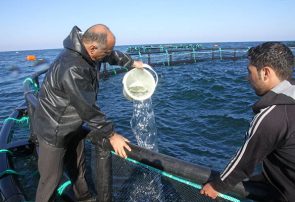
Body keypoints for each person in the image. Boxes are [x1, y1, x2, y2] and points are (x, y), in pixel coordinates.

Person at [32, 24, 143, 202]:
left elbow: (110, 54)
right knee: (50, 180)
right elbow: (87, 109)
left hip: (72, 125)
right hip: (54, 130)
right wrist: (111, 134)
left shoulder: (87, 50)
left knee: (77, 167)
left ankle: (84, 198)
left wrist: (130, 63)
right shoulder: (73, 67)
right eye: (106, 52)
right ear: (92, 48)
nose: (109, 54)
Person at [200, 42, 295, 201]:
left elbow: (245, 161)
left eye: (249, 71)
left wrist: (217, 186)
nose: (247, 78)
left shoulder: (272, 116)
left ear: (265, 73)